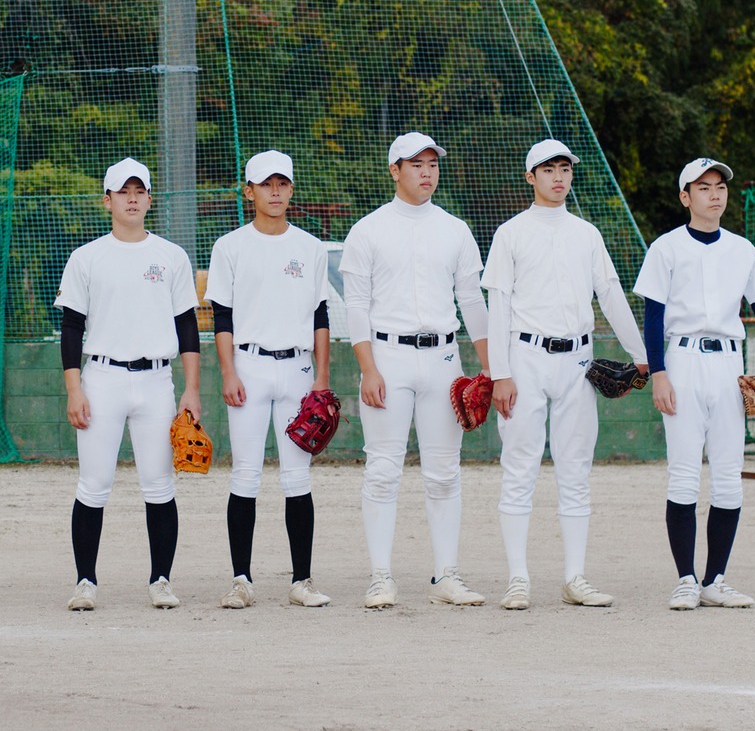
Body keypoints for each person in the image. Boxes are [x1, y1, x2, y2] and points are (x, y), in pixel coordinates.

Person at [482, 139, 648, 611]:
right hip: (525, 359)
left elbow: (611, 295)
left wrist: (641, 355)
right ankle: (518, 578)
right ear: (530, 177)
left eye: (565, 169)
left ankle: (575, 577)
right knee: (520, 468)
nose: (558, 177)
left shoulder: (587, 234)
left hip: (578, 362)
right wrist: (500, 374)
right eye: (548, 169)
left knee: (575, 470)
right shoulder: (510, 232)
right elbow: (499, 309)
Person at [634, 158, 755, 610]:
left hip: (729, 366)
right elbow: (654, 317)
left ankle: (715, 580)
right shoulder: (665, 248)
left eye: (719, 186)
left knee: (728, 479)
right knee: (684, 475)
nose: (714, 194)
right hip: (682, 362)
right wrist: (659, 373)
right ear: (685, 197)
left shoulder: (742, 249)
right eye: (703, 187)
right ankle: (685, 579)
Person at [340, 132, 490, 609]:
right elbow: (356, 307)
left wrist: (490, 369)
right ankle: (381, 576)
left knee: (444, 473)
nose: (427, 171)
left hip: (445, 359)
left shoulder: (455, 229)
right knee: (383, 470)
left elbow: (472, 302)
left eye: (432, 163)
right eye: (416, 164)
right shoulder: (368, 230)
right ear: (394, 171)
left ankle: (446, 574)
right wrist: (367, 368)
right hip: (388, 357)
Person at [55, 158, 201, 611]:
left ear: (150, 199)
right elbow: (72, 329)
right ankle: (85, 582)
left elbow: (188, 327)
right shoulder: (87, 257)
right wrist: (74, 388)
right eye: (123, 191)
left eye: (140, 191)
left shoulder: (171, 256)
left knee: (159, 486)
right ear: (108, 200)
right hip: (102, 378)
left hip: (157, 380)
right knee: (93, 485)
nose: (132, 198)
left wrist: (191, 389)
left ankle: (160, 580)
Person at [205, 150, 333, 610]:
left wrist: (321, 378)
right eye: (265, 184)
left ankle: (302, 580)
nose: (275, 191)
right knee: (245, 474)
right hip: (250, 365)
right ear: (249, 191)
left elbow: (321, 315)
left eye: (282, 183)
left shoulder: (310, 247)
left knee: (298, 478)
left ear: (291, 190)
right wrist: (228, 372)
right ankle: (241, 579)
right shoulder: (231, 246)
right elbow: (221, 316)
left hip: (297, 368)